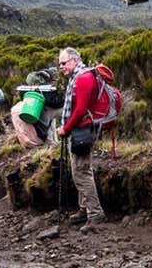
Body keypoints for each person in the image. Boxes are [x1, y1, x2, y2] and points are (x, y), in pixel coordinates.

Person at [55, 47, 104, 234]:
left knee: (80, 173)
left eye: (64, 62)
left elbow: (80, 109)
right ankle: (84, 210)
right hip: (82, 130)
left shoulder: (82, 78)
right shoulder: (80, 77)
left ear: (75, 60)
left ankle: (95, 213)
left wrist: (65, 128)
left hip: (82, 131)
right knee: (82, 169)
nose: (61, 66)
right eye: (60, 63)